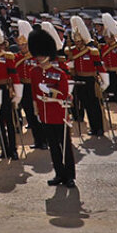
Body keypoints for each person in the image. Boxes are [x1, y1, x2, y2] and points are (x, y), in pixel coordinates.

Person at [32, 25, 77, 187]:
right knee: (53, 148)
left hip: (59, 113)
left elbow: (64, 94)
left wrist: (49, 92)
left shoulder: (59, 72)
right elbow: (33, 94)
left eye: (42, 53)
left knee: (65, 147)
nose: (38, 57)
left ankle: (70, 176)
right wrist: (37, 110)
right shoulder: (35, 72)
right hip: (45, 115)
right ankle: (59, 174)